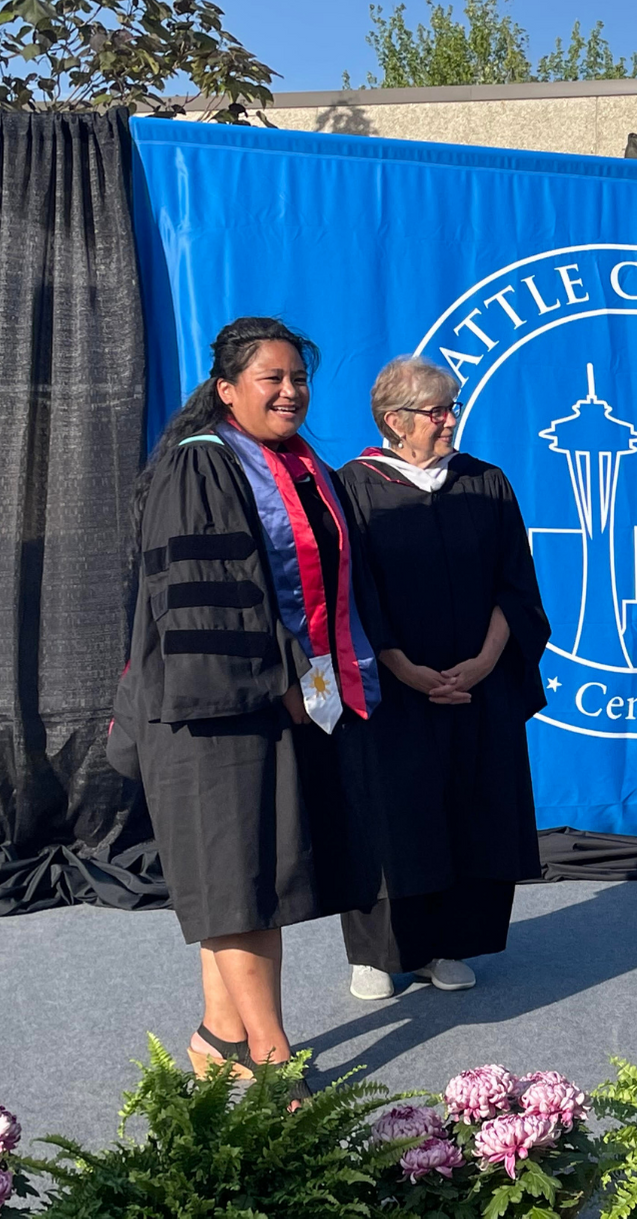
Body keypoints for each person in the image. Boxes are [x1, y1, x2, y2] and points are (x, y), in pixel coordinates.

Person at [108, 317, 382, 1099]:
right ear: (228, 389)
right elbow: (207, 604)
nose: (291, 391)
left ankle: (219, 1036)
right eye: (274, 378)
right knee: (238, 883)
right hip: (212, 709)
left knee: (244, 878)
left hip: (263, 700)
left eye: (299, 378)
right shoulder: (204, 467)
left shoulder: (296, 467)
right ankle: (269, 1056)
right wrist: (281, 682)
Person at [337, 357, 549, 1001]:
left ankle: (450, 943)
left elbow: (515, 584)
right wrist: (401, 666)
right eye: (436, 411)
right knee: (391, 813)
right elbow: (351, 593)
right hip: (391, 690)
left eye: (450, 408)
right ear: (394, 422)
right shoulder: (353, 487)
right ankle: (379, 953)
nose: (449, 420)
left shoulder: (486, 483)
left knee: (471, 806)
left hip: (476, 685)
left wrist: (485, 664)